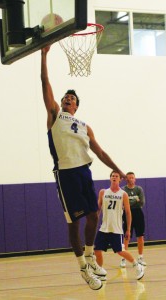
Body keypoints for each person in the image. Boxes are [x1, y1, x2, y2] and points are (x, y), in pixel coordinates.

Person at [40, 45, 126, 290]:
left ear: (77, 106)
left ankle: (90, 257)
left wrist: (117, 168)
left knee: (93, 215)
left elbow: (99, 151)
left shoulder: (85, 126)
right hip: (65, 174)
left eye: (72, 99)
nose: (68, 99)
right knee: (73, 223)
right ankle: (82, 268)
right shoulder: (55, 115)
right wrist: (44, 55)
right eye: (66, 97)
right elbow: (44, 82)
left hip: (83, 172)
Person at [94, 171, 144, 280]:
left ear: (120, 179)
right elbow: (98, 209)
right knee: (97, 250)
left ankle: (137, 266)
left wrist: (129, 229)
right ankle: (101, 272)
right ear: (110, 178)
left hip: (116, 228)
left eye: (116, 176)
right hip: (104, 228)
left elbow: (128, 212)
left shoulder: (123, 194)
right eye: (112, 176)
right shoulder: (103, 192)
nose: (114, 177)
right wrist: (94, 223)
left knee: (120, 251)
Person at [120, 172, 146, 268]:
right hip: (127, 213)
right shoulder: (123, 190)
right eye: (129, 178)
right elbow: (123, 204)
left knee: (140, 236)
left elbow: (142, 202)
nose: (131, 179)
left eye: (132, 178)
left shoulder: (139, 189)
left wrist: (129, 202)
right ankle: (123, 259)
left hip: (138, 213)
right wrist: (135, 200)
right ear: (126, 179)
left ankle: (140, 257)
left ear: (135, 179)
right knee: (127, 236)